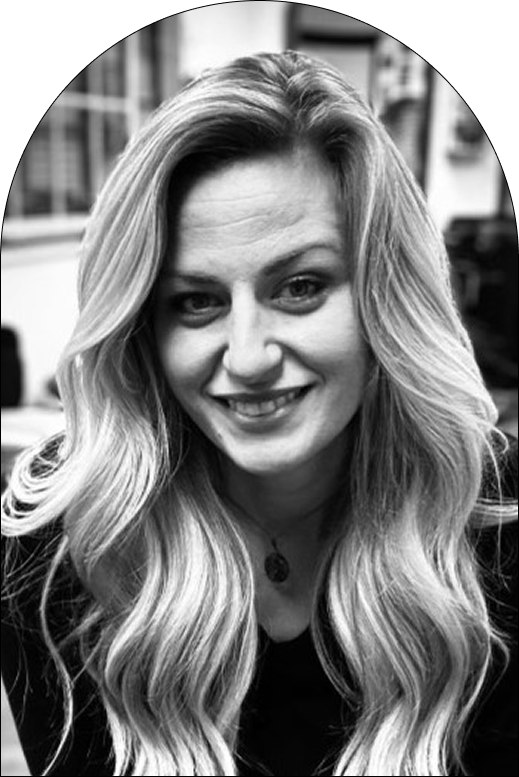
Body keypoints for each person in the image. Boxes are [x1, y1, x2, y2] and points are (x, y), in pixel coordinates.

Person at [1, 50, 517, 777]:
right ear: (143, 328)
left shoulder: (494, 524)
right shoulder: (61, 543)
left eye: (300, 286)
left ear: (382, 298)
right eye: (196, 301)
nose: (245, 357)